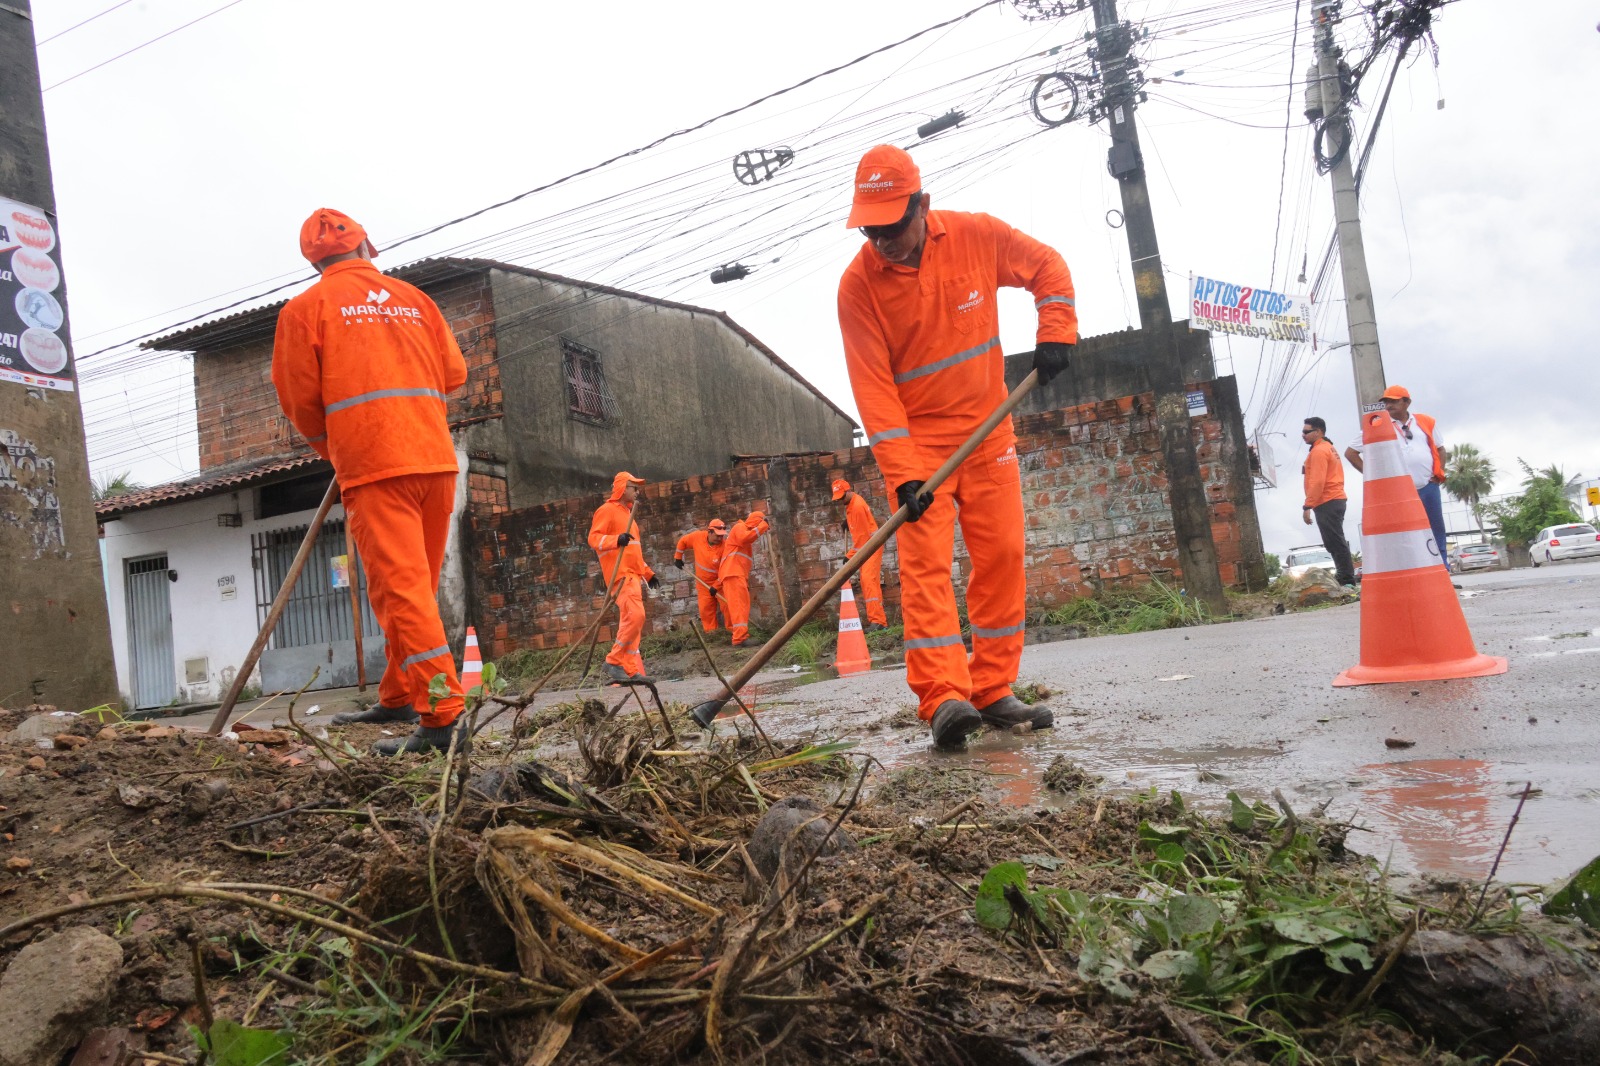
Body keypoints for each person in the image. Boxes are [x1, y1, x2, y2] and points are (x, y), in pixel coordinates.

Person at [836, 144, 1074, 748]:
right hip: (920, 447)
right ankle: (943, 697)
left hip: (989, 429)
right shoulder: (857, 287)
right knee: (926, 569)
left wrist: (1056, 330)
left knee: (1003, 557)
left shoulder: (976, 237)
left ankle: (992, 688)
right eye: (870, 230)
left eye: (892, 227)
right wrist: (903, 472)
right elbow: (873, 389)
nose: (882, 242)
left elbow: (1047, 265)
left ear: (923, 205)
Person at [273, 208, 469, 755]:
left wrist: (337, 449)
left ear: (314, 261)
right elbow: (454, 374)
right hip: (434, 459)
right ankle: (400, 694)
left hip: (375, 469)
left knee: (404, 593)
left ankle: (443, 718)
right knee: (407, 589)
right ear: (366, 247)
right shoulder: (415, 299)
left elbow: (300, 405)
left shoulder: (304, 311)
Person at [1344, 385, 1448, 567]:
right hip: (1399, 492)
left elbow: (1440, 449)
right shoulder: (1378, 425)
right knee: (1407, 532)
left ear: (1407, 402)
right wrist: (1374, 476)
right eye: (1386, 402)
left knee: (1435, 528)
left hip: (1428, 486)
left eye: (1393, 401)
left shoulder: (1426, 421)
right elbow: (1350, 453)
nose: (1389, 405)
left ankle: (1443, 568)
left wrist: (1438, 473)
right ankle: (1415, 568)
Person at [588, 472, 660, 681]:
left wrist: (648, 573)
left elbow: (633, 552)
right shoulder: (607, 510)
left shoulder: (629, 517)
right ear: (622, 488)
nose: (637, 492)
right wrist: (615, 540)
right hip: (620, 576)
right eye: (633, 487)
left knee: (634, 620)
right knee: (636, 617)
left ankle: (629, 669)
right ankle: (613, 661)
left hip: (633, 575)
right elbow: (594, 538)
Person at [1301, 417, 1356, 588]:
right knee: (1333, 540)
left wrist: (1308, 505)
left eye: (1306, 431)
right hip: (1333, 499)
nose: (1303, 435)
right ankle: (1345, 576)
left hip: (1327, 500)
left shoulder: (1319, 451)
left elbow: (1318, 481)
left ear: (1318, 432)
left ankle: (1346, 579)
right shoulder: (1327, 447)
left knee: (1334, 541)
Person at [831, 478, 888, 630]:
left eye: (842, 496)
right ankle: (879, 621)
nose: (841, 500)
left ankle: (877, 621)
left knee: (869, 580)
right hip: (868, 546)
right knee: (869, 581)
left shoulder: (856, 506)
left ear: (849, 491)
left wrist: (849, 556)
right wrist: (848, 522)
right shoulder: (851, 504)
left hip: (871, 546)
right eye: (838, 498)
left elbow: (862, 539)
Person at [717, 510, 770, 646]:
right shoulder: (740, 527)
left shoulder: (742, 532)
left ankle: (740, 635)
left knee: (742, 606)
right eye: (759, 525)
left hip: (736, 574)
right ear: (756, 522)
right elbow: (745, 538)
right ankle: (739, 639)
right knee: (739, 606)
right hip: (733, 574)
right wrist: (763, 526)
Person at [675, 518, 728, 632]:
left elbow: (726, 570)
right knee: (705, 610)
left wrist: (716, 585)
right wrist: (678, 557)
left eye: (722, 536)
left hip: (721, 583)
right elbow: (683, 541)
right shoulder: (697, 537)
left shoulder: (725, 547)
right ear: (710, 532)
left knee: (728, 607)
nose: (720, 538)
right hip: (703, 584)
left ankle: (735, 633)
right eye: (717, 535)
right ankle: (711, 635)